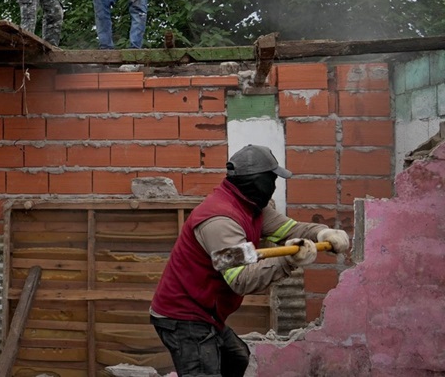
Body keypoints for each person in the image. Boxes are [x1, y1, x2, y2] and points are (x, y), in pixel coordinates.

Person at [150, 145, 350, 377]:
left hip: (206, 311)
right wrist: (289, 260)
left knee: (236, 359)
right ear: (258, 181)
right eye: (272, 179)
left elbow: (290, 229)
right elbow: (241, 279)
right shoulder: (220, 221)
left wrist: (322, 234)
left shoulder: (251, 208)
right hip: (183, 316)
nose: (274, 186)